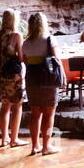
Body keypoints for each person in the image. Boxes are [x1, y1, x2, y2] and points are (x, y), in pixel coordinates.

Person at [21, 12, 62, 155]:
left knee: (35, 114)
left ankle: (34, 146)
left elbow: (24, 61)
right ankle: (46, 147)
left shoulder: (25, 43)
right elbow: (57, 60)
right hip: (47, 80)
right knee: (49, 114)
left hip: (31, 79)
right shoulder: (50, 40)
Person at [0, 9, 24, 148]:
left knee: (5, 107)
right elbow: (22, 57)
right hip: (15, 75)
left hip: (3, 73)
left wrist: (3, 59)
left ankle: (4, 138)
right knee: (17, 106)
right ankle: (14, 139)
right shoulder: (17, 35)